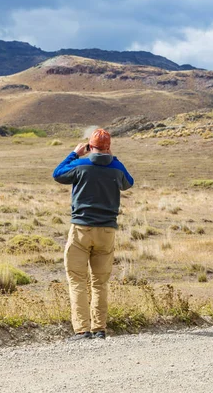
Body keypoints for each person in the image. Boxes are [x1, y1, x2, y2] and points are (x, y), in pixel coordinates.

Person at [52, 129, 134, 340]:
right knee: (100, 282)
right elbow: (128, 183)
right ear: (108, 146)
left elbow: (57, 174)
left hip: (81, 229)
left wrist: (74, 154)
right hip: (107, 231)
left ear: (90, 146)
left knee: (77, 280)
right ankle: (99, 328)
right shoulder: (116, 167)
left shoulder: (80, 165)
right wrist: (112, 158)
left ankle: (82, 329)